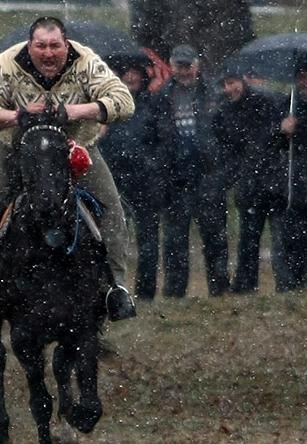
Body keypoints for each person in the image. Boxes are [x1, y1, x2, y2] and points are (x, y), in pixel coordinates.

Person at [0, 16, 137, 318]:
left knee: (112, 209)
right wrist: (17, 115)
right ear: (29, 45)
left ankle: (116, 287)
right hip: (15, 150)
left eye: (55, 46)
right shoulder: (5, 64)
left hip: (76, 150)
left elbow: (124, 101)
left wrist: (77, 111)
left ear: (66, 44)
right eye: (41, 46)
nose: (48, 53)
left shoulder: (87, 62)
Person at [150, 44, 229, 297]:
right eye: (179, 65)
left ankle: (220, 291)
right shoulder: (162, 97)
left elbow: (229, 138)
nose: (184, 71)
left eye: (188, 65)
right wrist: (159, 169)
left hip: (208, 177)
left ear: (198, 65)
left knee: (215, 239)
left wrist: (221, 175)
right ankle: (174, 293)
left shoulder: (215, 94)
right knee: (174, 242)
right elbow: (152, 139)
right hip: (175, 180)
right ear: (172, 66)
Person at [212, 59, 287, 293]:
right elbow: (226, 145)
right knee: (248, 240)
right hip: (248, 183)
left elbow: (272, 139)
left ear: (242, 81)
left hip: (274, 181)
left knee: (281, 241)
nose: (228, 89)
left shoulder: (268, 101)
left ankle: (286, 285)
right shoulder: (223, 112)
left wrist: (281, 130)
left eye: (232, 83)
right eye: (224, 84)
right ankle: (245, 287)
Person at [98, 61, 163, 300]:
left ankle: (146, 294)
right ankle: (115, 290)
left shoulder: (152, 106)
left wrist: (151, 164)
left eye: (136, 72)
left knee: (148, 241)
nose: (131, 77)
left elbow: (163, 141)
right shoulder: (109, 107)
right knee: (114, 238)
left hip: (146, 183)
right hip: (115, 181)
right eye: (127, 72)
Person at [278, 64, 307, 291]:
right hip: (295, 177)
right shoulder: (290, 103)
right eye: (301, 77)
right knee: (293, 233)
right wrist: (283, 129)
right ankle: (295, 280)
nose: (304, 82)